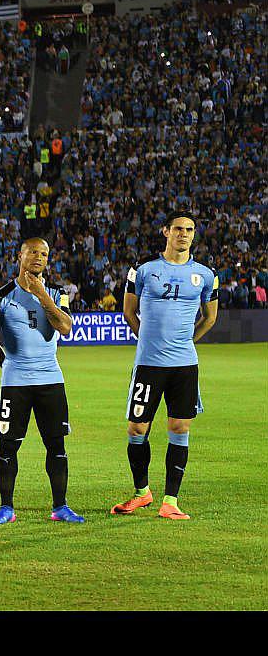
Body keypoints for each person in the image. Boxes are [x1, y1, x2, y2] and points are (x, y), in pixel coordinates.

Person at [111, 212, 218, 520]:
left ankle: (170, 500)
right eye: (178, 229)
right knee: (136, 428)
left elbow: (210, 317)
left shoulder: (205, 275)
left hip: (184, 366)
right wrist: (148, 341)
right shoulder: (143, 270)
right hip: (148, 364)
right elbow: (129, 311)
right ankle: (142, 493)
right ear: (166, 232)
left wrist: (188, 342)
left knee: (179, 428)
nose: (183, 234)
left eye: (189, 230)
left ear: (193, 235)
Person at [0, 237, 85, 524]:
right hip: (15, 383)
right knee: (8, 445)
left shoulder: (57, 293)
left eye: (44, 254)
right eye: (33, 252)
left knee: (56, 445)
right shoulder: (1, 296)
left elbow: (64, 327)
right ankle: (6, 508)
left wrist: (43, 296)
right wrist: (10, 366)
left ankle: (61, 507)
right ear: (20, 256)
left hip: (51, 381)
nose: (39, 257)